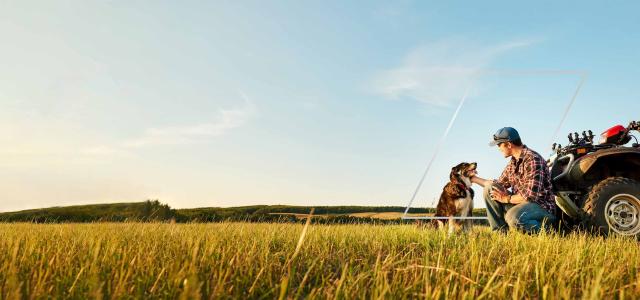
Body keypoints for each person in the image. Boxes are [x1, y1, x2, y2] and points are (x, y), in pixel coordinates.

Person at [470, 127, 557, 233]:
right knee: (490, 189)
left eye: (499, 145)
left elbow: (529, 196)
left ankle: (550, 232)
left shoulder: (533, 159)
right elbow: (497, 184)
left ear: (509, 144)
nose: (498, 148)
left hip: (541, 208)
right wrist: (473, 178)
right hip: (521, 204)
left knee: (514, 217)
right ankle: (500, 234)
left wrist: (507, 198)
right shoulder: (513, 162)